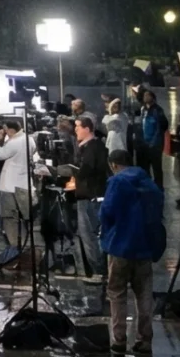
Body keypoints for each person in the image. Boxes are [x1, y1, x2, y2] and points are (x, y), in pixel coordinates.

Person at [99, 159, 166, 357]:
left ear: (114, 165)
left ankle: (119, 339)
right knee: (144, 294)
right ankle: (144, 339)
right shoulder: (149, 184)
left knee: (117, 293)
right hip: (144, 247)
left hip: (120, 246)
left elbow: (107, 211)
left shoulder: (117, 182)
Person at [67, 116, 110, 276]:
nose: (75, 130)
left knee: (90, 235)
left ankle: (99, 271)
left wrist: (69, 171)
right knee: (89, 234)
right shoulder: (89, 147)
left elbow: (86, 170)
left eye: (78, 127)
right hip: (88, 195)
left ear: (87, 128)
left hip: (90, 197)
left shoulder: (92, 148)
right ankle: (98, 270)